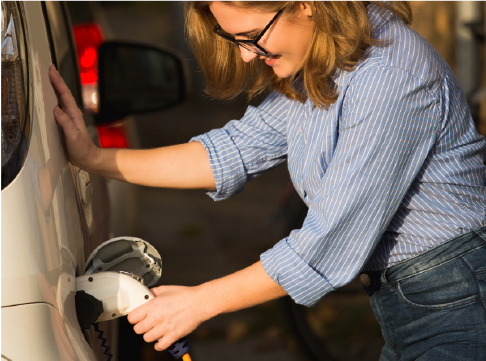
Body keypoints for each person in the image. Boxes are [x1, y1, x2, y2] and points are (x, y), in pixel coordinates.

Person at [49, 1, 486, 359]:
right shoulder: (330, 57)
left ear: (305, 5)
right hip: (421, 301)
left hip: (459, 300)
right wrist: (95, 158)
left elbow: (326, 244)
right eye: (233, 40)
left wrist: (198, 303)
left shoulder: (388, 81)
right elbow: (234, 150)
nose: (244, 54)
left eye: (251, 38)